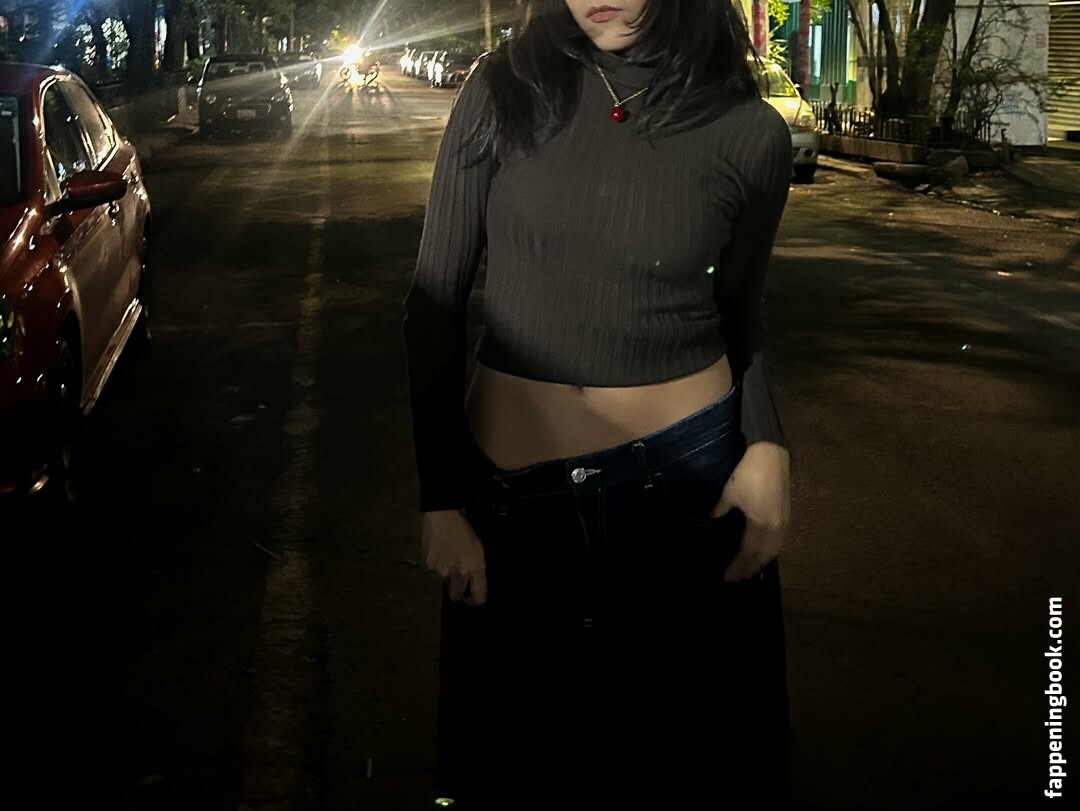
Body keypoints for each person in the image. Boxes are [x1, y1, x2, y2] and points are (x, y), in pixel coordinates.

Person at [402, 1, 794, 807]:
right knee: (513, 769)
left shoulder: (748, 131)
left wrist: (765, 442)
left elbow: (740, 309)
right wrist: (441, 494)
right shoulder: (503, 92)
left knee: (687, 769)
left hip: (688, 491)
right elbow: (433, 303)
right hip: (515, 509)